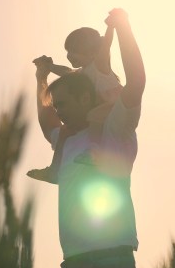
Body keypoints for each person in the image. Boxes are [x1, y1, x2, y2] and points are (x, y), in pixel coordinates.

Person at [32, 8, 145, 268]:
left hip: (113, 256)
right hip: (74, 261)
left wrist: (120, 26)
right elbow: (47, 121)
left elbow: (136, 82)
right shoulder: (68, 137)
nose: (58, 111)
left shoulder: (115, 128)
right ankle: (53, 170)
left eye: (63, 104)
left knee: (97, 119)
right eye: (56, 106)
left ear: (83, 97)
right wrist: (42, 77)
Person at [29, 24, 122, 183]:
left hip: (111, 106)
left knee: (94, 116)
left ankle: (94, 151)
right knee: (65, 132)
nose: (69, 56)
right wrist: (50, 68)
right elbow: (67, 72)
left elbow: (106, 44)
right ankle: (54, 169)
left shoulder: (100, 65)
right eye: (68, 52)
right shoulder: (82, 72)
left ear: (92, 52)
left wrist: (112, 26)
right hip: (96, 111)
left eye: (74, 52)